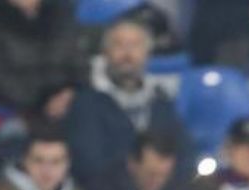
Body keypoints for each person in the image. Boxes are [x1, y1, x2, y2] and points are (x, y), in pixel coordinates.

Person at [66, 17, 188, 181]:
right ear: (105, 52)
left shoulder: (161, 102)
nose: (127, 53)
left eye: (135, 45)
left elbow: (184, 158)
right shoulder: (85, 103)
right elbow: (89, 163)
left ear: (147, 53)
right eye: (119, 45)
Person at [0, 0, 85, 113]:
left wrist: (70, 94)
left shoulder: (61, 13)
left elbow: (78, 64)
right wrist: (42, 103)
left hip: (64, 104)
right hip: (12, 107)